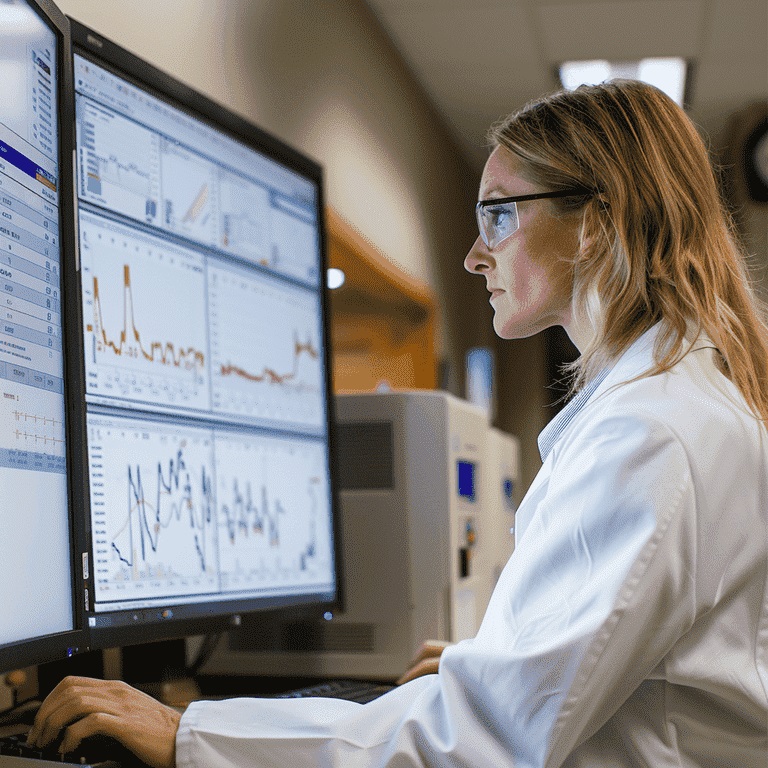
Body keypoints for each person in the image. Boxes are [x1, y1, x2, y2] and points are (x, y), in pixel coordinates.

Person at [27, 79, 768, 767]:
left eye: (499, 214)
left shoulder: (650, 434)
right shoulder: (676, 402)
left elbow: (481, 742)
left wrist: (189, 732)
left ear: (594, 224)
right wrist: (499, 660)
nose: (477, 255)